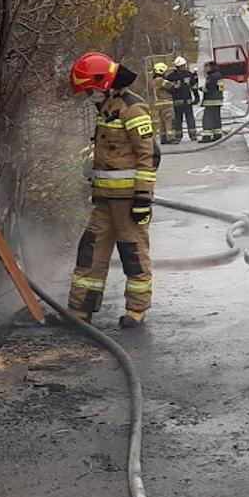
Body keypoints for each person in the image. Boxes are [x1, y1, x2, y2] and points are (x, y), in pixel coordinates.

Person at [66, 52, 156, 329]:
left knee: (133, 254)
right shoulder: (106, 107)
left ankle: (136, 310)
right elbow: (109, 152)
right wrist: (91, 169)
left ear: (103, 83)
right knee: (90, 251)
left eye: (89, 90)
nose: (88, 96)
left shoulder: (132, 109)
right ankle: (80, 309)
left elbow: (147, 156)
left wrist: (143, 199)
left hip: (128, 202)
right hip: (104, 201)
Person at [164, 57, 200, 143]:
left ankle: (193, 135)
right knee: (178, 120)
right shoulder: (171, 77)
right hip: (177, 101)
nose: (183, 67)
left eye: (184, 65)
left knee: (190, 119)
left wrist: (196, 97)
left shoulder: (189, 74)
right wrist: (173, 88)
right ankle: (178, 136)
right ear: (177, 67)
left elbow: (194, 86)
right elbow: (166, 89)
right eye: (181, 66)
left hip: (187, 101)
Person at [200, 61, 227, 142]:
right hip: (218, 100)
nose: (204, 70)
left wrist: (200, 88)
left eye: (206, 68)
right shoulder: (219, 75)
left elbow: (208, 88)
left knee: (207, 118)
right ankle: (217, 134)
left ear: (210, 67)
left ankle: (206, 136)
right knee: (216, 118)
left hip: (211, 101)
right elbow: (220, 88)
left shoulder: (212, 77)